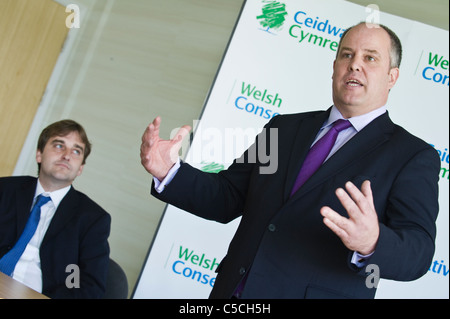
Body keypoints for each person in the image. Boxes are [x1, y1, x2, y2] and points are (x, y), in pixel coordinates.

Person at [140, 22, 440, 298]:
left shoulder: (412, 156)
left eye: (370, 57)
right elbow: (229, 197)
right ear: (335, 67)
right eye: (347, 54)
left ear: (392, 76)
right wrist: (170, 172)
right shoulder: (283, 128)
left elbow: (419, 252)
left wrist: (372, 242)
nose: (355, 65)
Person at [0, 120, 111, 298]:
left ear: (80, 168)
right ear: (39, 154)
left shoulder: (93, 219)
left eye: (76, 151)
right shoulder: (5, 189)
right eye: (59, 145)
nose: (67, 155)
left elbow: (90, 287)